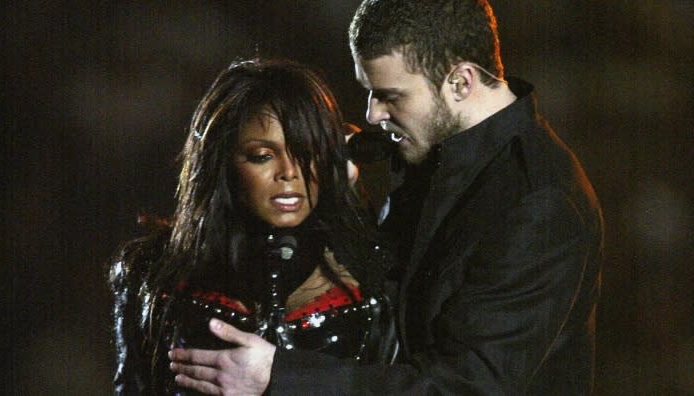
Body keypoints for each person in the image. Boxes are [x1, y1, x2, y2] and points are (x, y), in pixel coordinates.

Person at [169, 0, 605, 394]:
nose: (372, 114)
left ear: (461, 81)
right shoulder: (429, 150)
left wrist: (279, 375)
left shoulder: (537, 204)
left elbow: (468, 386)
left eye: (389, 96)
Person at [109, 59, 397, 395]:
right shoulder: (151, 272)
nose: (289, 172)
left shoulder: (376, 271)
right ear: (222, 161)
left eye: (308, 151)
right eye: (263, 155)